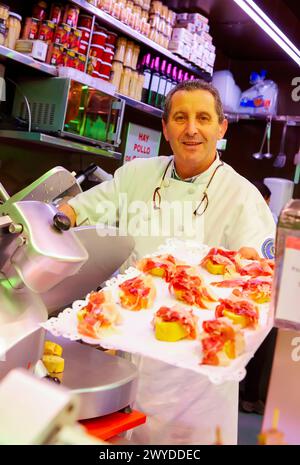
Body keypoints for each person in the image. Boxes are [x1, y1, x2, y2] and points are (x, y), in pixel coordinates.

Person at [59, 80, 275, 444]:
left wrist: (252, 266)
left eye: (203, 118)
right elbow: (81, 208)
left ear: (221, 128)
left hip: (196, 376)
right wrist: (52, 217)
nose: (191, 129)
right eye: (180, 117)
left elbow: (258, 276)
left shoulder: (243, 197)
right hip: (131, 352)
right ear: (166, 127)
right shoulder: (136, 175)